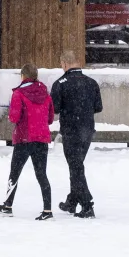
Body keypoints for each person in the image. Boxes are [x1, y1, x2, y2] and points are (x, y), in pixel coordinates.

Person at [0, 63, 53, 219]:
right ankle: (47, 210)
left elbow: (14, 117)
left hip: (24, 138)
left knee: (14, 173)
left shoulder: (19, 94)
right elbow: (49, 118)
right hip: (41, 139)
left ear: (23, 76)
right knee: (42, 174)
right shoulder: (45, 93)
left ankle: (8, 205)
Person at [50, 54, 102, 218]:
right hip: (87, 130)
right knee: (77, 165)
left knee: (76, 167)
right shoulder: (91, 83)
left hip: (71, 130)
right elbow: (98, 107)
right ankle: (72, 201)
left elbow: (55, 109)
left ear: (64, 64)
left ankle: (87, 205)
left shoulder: (60, 84)